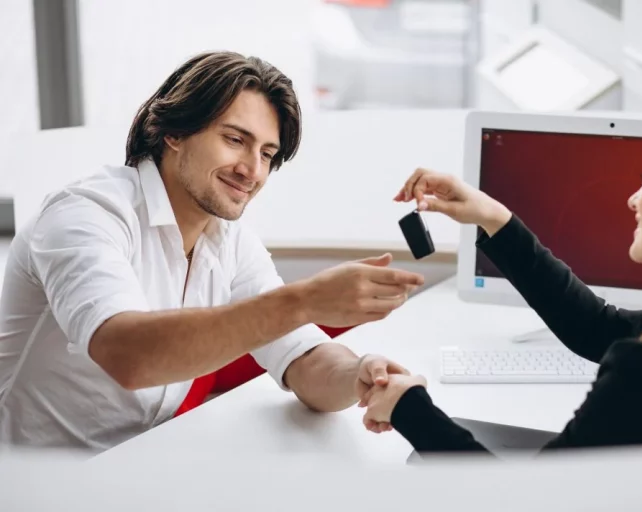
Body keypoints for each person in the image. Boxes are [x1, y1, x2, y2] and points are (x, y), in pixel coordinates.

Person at [0, 51, 422, 451]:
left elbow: (304, 357)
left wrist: (361, 376)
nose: (252, 170)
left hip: (137, 469)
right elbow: (127, 356)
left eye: (267, 154)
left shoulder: (229, 241)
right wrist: (304, 299)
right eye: (235, 140)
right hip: (32, 481)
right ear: (175, 132)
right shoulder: (86, 214)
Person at [359, 112, 642, 454]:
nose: (633, 199)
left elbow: (526, 502)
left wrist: (407, 407)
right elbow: (599, 328)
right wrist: (494, 218)